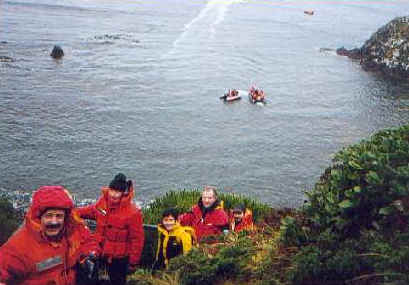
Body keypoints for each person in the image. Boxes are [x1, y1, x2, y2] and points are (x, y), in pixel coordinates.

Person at [0, 185, 100, 285]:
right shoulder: (17, 248)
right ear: (38, 218)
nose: (54, 222)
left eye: (59, 216)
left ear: (65, 218)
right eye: (49, 216)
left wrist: (90, 255)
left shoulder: (72, 229)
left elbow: (88, 241)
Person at [76, 173, 144, 285]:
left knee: (117, 282)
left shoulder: (133, 213)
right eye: (112, 190)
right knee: (93, 279)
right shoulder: (103, 203)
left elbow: (137, 239)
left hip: (119, 258)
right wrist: (72, 212)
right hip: (99, 251)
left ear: (123, 193)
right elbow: (92, 211)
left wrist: (133, 262)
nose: (114, 194)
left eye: (117, 192)